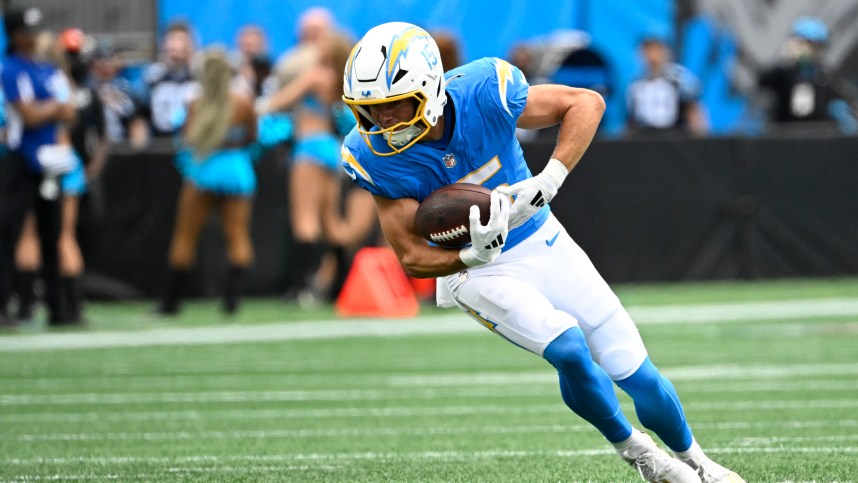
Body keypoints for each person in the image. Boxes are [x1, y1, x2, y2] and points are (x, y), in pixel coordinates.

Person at [340, 22, 744, 483]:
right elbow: (411, 255)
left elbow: (585, 103)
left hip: (540, 236)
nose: (384, 121)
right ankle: (638, 453)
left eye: (394, 105)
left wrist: (549, 179)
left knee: (636, 370)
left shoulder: (483, 91)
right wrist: (468, 257)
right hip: (476, 272)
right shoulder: (370, 153)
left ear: (430, 88)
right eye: (370, 110)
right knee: (568, 346)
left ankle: (699, 461)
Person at [155, 47, 257, 316]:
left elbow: (187, 139)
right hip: (236, 171)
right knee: (238, 237)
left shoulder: (194, 103)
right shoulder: (244, 102)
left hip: (204, 170)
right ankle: (232, 304)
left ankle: (170, 305)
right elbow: (252, 137)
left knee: (185, 238)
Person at [256, 30, 355, 304]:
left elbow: (277, 102)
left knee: (304, 220)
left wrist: (255, 107)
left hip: (309, 147)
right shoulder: (337, 79)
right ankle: (340, 286)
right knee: (331, 222)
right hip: (330, 148)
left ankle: (298, 289)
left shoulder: (315, 75)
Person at [0, 7, 78, 327]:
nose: (32, 38)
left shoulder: (48, 70)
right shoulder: (9, 68)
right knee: (8, 232)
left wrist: (47, 110)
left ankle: (58, 309)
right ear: (15, 34)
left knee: (52, 233)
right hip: (19, 159)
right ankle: (5, 306)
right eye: (27, 32)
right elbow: (29, 116)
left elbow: (70, 110)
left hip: (49, 159)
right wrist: (53, 109)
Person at [626, 32, 708, 136]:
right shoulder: (635, 84)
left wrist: (699, 137)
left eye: (657, 49)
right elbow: (631, 119)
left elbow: (692, 109)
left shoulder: (678, 78)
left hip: (674, 137)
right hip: (645, 137)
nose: (652, 56)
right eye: (648, 50)